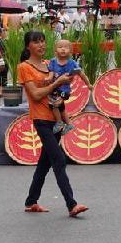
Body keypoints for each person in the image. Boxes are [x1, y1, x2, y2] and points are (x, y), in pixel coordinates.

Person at [20, 30, 88, 217]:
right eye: (36, 42)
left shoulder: (49, 64)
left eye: (43, 41)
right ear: (28, 46)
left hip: (55, 118)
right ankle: (71, 204)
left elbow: (68, 78)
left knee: (45, 162)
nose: (41, 45)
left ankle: (31, 201)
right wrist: (58, 83)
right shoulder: (25, 67)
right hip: (41, 118)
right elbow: (35, 95)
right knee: (58, 159)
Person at [46, 39, 79, 135]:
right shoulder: (53, 61)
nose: (63, 49)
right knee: (61, 107)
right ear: (55, 50)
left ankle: (59, 122)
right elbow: (51, 73)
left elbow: (78, 72)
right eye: (60, 47)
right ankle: (68, 123)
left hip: (64, 89)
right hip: (55, 89)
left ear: (70, 50)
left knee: (54, 104)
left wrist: (88, 84)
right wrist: (49, 78)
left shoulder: (71, 62)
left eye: (66, 47)